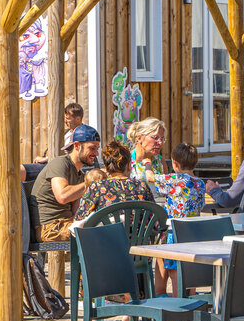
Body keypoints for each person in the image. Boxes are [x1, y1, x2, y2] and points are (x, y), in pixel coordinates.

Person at [29, 124, 102, 294]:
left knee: (106, 228)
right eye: (92, 148)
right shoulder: (60, 163)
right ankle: (91, 292)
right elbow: (62, 195)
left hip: (64, 223)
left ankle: (94, 290)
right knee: (98, 233)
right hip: (49, 227)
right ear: (77, 146)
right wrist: (89, 185)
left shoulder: (79, 173)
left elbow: (78, 212)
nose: (96, 153)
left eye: (97, 148)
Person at [149, 142, 207, 296]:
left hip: (172, 232)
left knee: (173, 270)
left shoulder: (173, 180)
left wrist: (147, 164)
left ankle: (175, 303)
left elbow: (149, 177)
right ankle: (190, 301)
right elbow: (201, 204)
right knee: (189, 269)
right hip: (193, 234)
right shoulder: (200, 184)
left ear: (175, 163)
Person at [75, 140, 154, 220]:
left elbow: (79, 219)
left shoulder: (97, 187)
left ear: (106, 167)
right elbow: (155, 221)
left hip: (107, 232)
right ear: (129, 166)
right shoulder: (142, 186)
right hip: (138, 232)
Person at [127, 117, 167, 190]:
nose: (160, 143)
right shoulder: (126, 160)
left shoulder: (160, 161)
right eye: (155, 138)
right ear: (139, 138)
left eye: (162, 139)